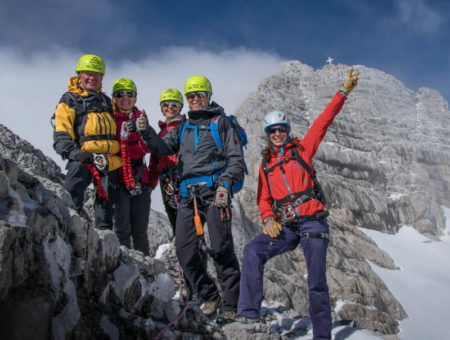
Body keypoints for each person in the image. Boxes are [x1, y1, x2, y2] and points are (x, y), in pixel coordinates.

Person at [236, 68, 359, 339]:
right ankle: (248, 313)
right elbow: (264, 199)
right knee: (253, 251)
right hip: (287, 226)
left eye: (281, 130)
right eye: (272, 131)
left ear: (287, 130)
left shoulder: (303, 149)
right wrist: (268, 219)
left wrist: (343, 92)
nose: (277, 134)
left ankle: (322, 336)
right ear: (268, 134)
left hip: (313, 221)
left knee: (316, 283)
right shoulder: (266, 166)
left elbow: (323, 122)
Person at [133, 76, 244, 323]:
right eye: (191, 96)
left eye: (200, 94)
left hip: (215, 193)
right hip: (187, 196)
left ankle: (231, 304)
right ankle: (209, 294)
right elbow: (162, 148)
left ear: (209, 95)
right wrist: (145, 131)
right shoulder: (183, 127)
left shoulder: (221, 123)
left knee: (220, 247)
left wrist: (225, 185)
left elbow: (236, 159)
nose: (195, 99)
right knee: (184, 250)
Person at [53, 54, 121, 229]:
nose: (92, 78)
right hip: (83, 159)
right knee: (70, 204)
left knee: (106, 215)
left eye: (97, 75)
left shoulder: (106, 101)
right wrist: (75, 154)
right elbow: (62, 131)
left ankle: (104, 249)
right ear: (79, 75)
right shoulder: (70, 99)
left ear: (102, 78)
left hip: (109, 163)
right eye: (87, 74)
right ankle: (67, 238)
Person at [112, 78, 151, 255]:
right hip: (118, 180)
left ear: (135, 98)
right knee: (121, 229)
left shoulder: (141, 119)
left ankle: (145, 270)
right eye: (120, 94)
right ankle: (125, 264)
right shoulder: (108, 119)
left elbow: (148, 146)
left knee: (140, 232)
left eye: (130, 94)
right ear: (113, 98)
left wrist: (137, 132)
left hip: (140, 180)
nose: (125, 98)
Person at [148, 88, 186, 235]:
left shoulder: (187, 127)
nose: (170, 107)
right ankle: (181, 249)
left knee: (187, 217)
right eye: (166, 104)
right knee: (173, 217)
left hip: (183, 176)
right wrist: (150, 187)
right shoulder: (160, 133)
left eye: (174, 104)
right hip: (166, 179)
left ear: (180, 107)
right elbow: (153, 163)